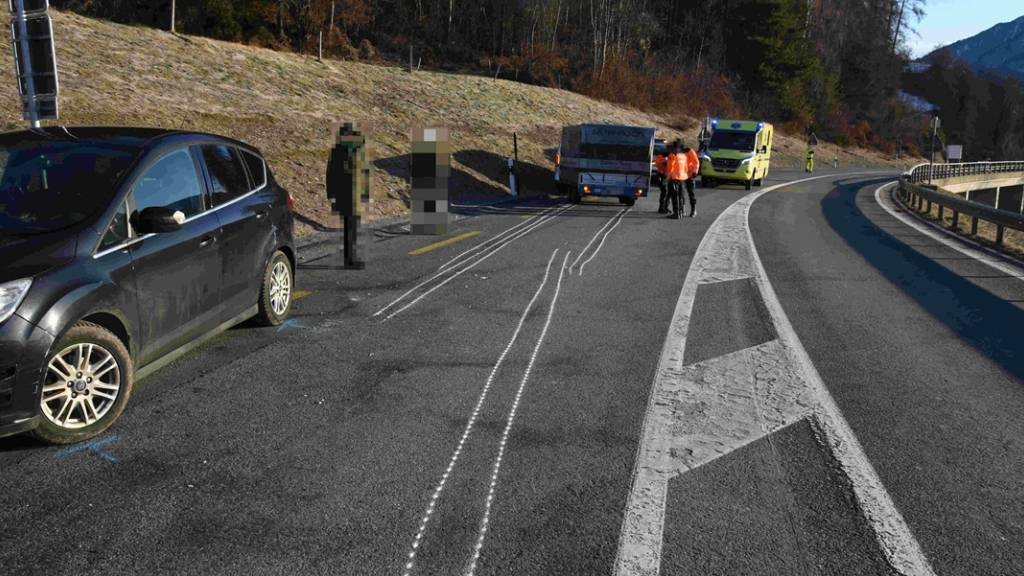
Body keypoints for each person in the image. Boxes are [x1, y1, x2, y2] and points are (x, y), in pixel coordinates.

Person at [665, 141, 687, 219]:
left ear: (674, 148)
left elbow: (670, 168)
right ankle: (680, 213)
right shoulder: (683, 156)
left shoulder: (672, 156)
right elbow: (686, 168)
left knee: (674, 197)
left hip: (674, 178)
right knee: (680, 196)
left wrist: (667, 178)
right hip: (682, 178)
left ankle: (676, 213)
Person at [681, 141, 700, 217]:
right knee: (681, 193)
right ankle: (682, 209)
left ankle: (693, 210)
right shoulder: (678, 151)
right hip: (680, 175)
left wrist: (694, 172)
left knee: (691, 193)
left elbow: (696, 162)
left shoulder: (689, 151)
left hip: (689, 175)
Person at [654, 147, 670, 213]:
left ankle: (665, 207)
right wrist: (664, 161)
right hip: (661, 176)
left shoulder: (670, 157)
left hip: (667, 177)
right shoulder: (660, 157)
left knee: (668, 193)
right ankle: (661, 208)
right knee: (664, 192)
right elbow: (658, 164)